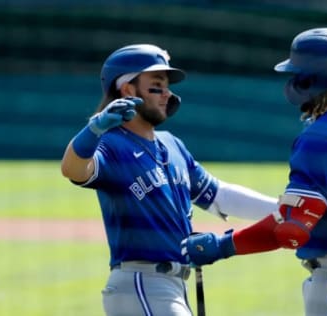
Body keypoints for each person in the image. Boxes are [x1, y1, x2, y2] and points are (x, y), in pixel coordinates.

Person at [182, 28, 327, 316]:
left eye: (298, 73)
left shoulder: (320, 136)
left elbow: (292, 230)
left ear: (314, 77)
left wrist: (222, 245)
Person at [60, 44, 278, 316]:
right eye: (157, 85)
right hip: (141, 284)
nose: (167, 94)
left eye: (167, 86)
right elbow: (73, 170)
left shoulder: (171, 145)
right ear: (127, 89)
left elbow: (219, 195)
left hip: (171, 288)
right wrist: (93, 129)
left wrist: (281, 210)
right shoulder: (112, 144)